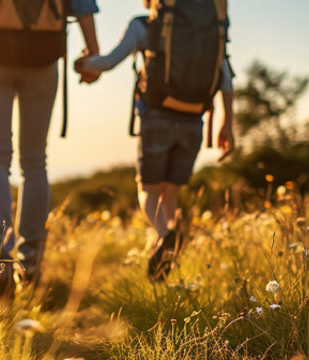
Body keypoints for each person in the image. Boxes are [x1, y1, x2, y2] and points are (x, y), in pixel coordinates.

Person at [0, 0, 101, 298]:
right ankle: (32, 265)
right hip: (43, 58)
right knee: (35, 163)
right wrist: (93, 52)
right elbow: (85, 6)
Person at [76, 0, 236, 281]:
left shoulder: (145, 25)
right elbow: (226, 79)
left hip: (157, 118)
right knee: (170, 194)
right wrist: (227, 125)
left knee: (147, 191)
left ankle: (166, 236)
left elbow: (109, 62)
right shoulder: (211, 28)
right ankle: (165, 258)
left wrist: (83, 64)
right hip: (193, 121)